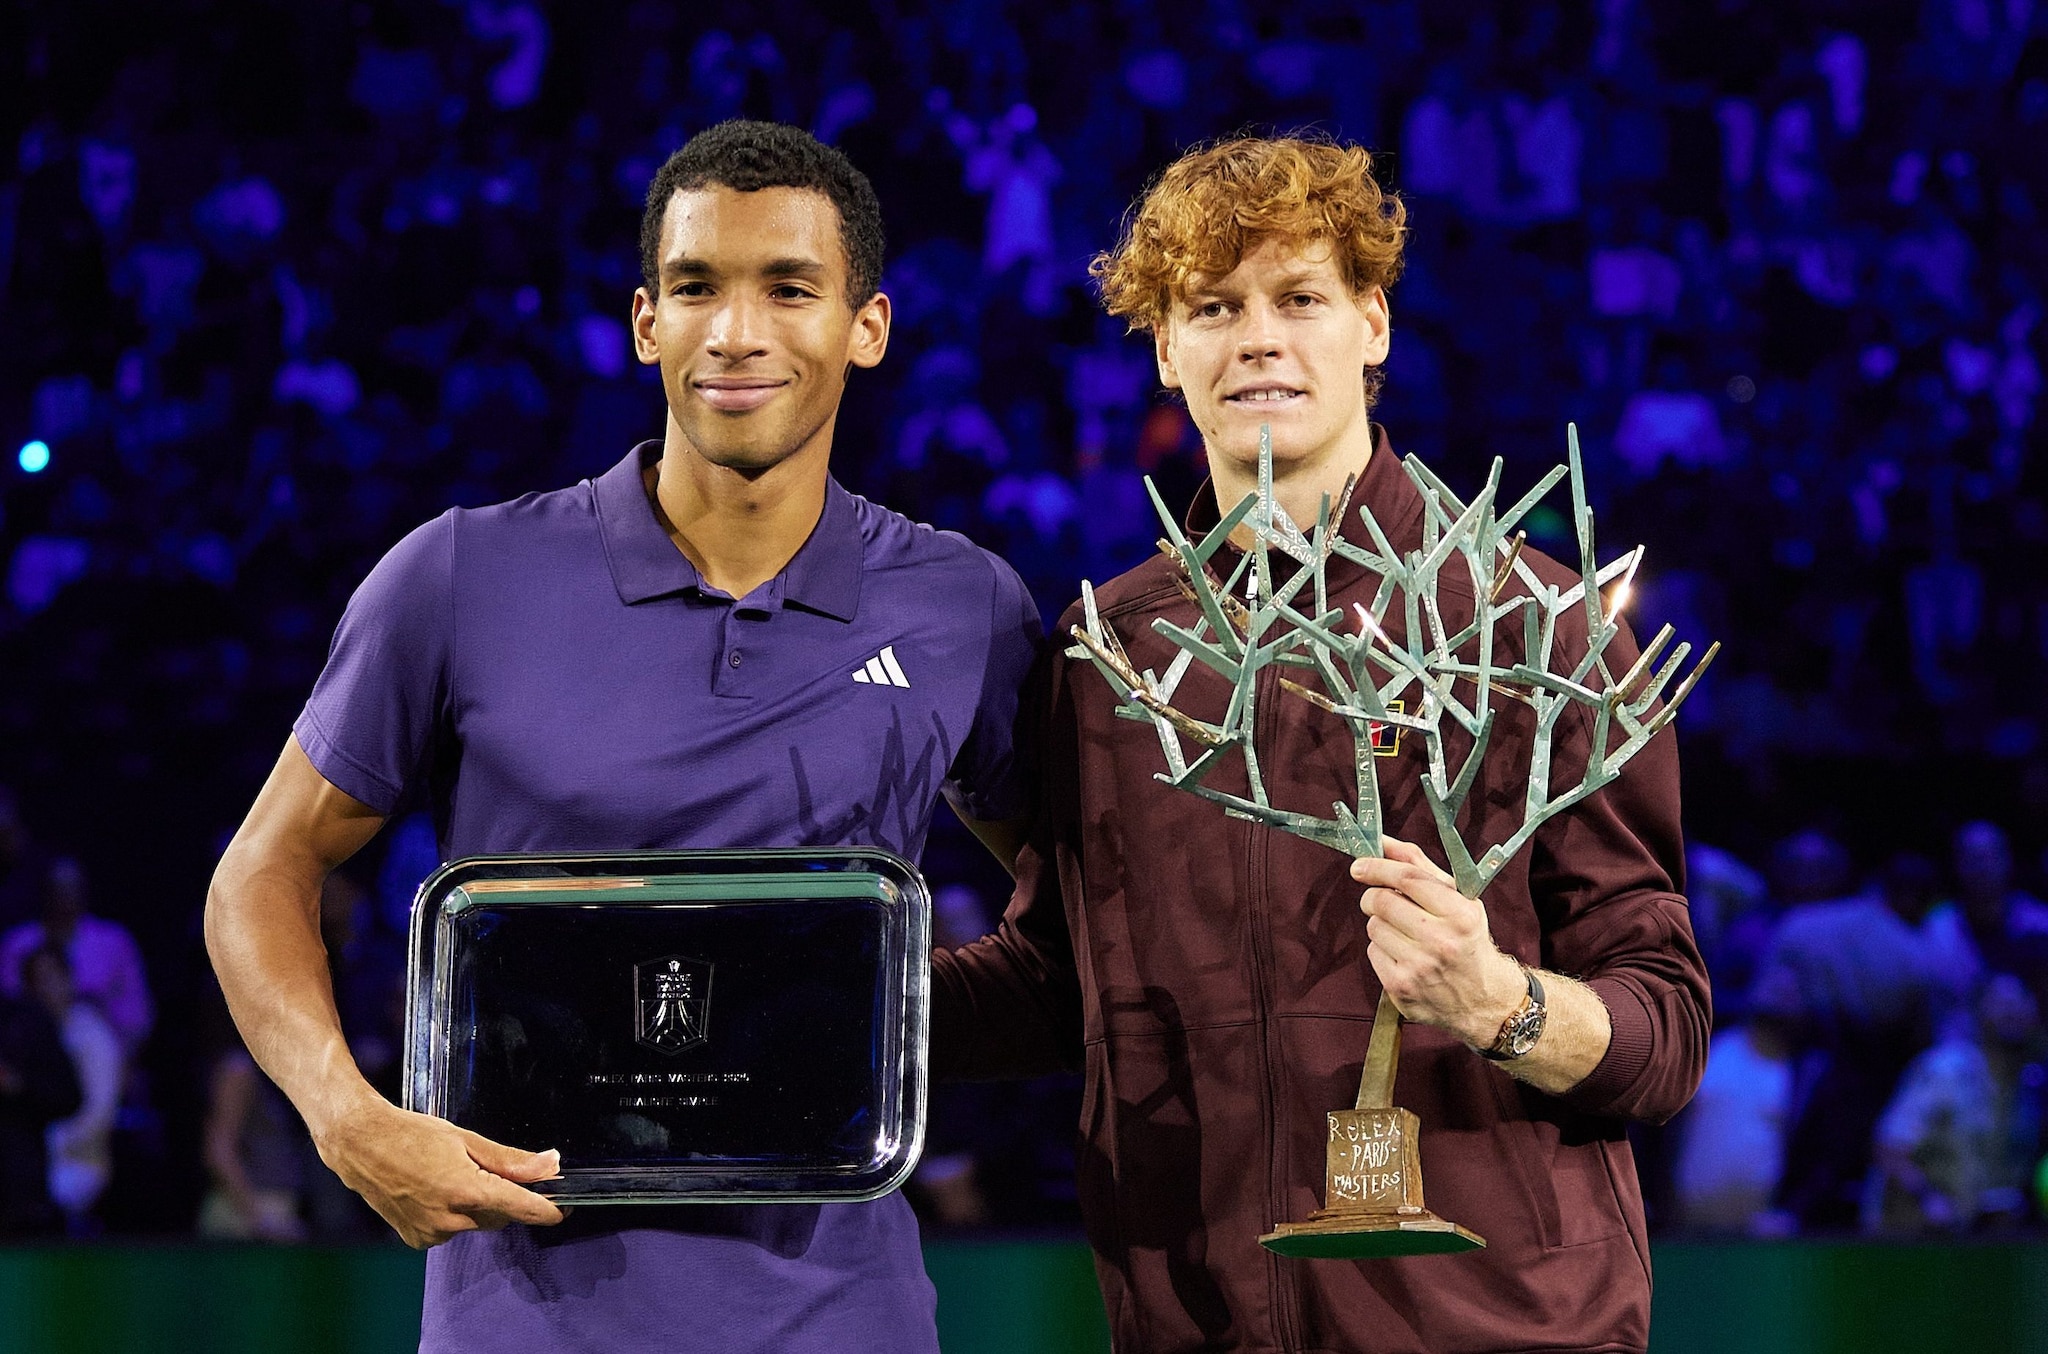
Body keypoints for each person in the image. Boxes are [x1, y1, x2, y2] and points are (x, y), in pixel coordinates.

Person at [206, 121, 1038, 1353]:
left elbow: (1081, 909)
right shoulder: (457, 575)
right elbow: (259, 873)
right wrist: (346, 1117)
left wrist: (878, 1011)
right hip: (519, 1326)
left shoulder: (961, 603)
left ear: (867, 327)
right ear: (646, 321)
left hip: (844, 1319)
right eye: (697, 287)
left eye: (788, 289)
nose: (735, 332)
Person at [934, 135, 1710, 1353]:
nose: (1257, 338)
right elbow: (1052, 988)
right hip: (1197, 1325)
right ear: (1164, 348)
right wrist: (818, 989)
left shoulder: (1529, 625)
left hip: (1504, 1329)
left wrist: (1496, 1000)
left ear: (1372, 325)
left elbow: (1661, 1034)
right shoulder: (1107, 650)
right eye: (1212, 307)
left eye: (1298, 297)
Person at [0, 857, 153, 1054]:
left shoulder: (114, 942)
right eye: (58, 889)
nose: (64, 897)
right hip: (29, 1054)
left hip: (103, 1051)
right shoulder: (18, 944)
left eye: (71, 888)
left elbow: (136, 1016)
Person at [23, 945, 124, 1233]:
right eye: (34, 981)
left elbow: (100, 1114)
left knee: (34, 1190)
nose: (42, 989)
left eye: (49, 978)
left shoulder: (93, 1036)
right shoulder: (23, 1035)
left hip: (79, 1164)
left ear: (68, 980)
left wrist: (47, 1149)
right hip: (31, 1158)